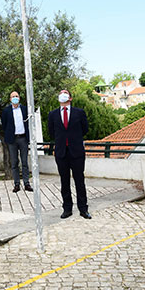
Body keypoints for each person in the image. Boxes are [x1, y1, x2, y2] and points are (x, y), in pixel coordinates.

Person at [48, 90, 91, 219]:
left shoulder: (79, 113)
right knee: (64, 181)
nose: (63, 95)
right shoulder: (53, 114)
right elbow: (51, 132)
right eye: (61, 93)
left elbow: (85, 129)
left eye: (65, 93)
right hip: (61, 152)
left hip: (76, 151)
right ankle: (67, 208)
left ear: (70, 98)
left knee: (79, 181)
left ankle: (83, 209)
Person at [1, 91, 33, 192]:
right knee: (14, 162)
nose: (15, 98)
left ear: (19, 98)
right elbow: (4, 125)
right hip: (12, 139)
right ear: (10, 99)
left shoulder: (24, 109)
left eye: (16, 96)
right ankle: (16, 184)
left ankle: (26, 183)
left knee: (24, 162)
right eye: (13, 96)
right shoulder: (6, 111)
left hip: (23, 138)